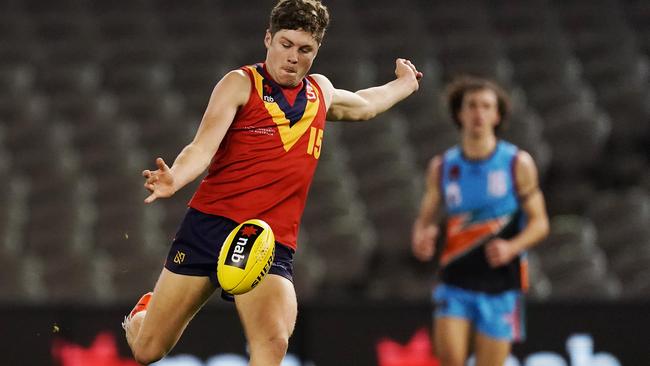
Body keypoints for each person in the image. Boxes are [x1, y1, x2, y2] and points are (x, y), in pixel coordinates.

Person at [121, 0, 423, 365]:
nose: (293, 57)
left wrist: (404, 84)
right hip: (209, 227)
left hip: (268, 239)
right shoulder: (240, 84)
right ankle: (145, 312)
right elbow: (201, 147)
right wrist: (176, 179)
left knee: (274, 340)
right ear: (268, 39)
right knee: (147, 351)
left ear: (316, 51)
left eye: (304, 49)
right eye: (285, 44)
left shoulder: (320, 92)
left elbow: (364, 103)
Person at [411, 76, 549, 366]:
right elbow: (425, 221)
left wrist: (512, 247)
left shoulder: (516, 163)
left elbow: (540, 224)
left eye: (486, 106)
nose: (478, 113)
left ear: (497, 115)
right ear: (459, 113)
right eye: (471, 105)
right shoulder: (443, 167)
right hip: (455, 282)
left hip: (501, 285)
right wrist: (423, 235)